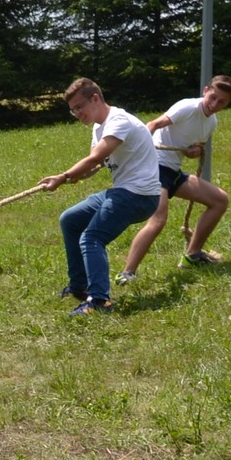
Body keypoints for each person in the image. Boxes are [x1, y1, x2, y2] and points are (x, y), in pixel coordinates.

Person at [41, 77, 163, 314]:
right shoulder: (99, 127)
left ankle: (99, 301)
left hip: (140, 195)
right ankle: (80, 286)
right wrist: (76, 176)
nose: (77, 114)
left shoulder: (118, 121)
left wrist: (63, 177)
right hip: (122, 191)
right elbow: (96, 165)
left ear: (95, 98)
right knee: (70, 219)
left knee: (92, 238)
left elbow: (96, 158)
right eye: (73, 110)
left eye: (79, 107)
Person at [116, 75, 231, 283]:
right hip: (155, 167)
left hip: (173, 172)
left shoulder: (212, 122)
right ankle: (127, 273)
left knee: (220, 200)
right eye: (213, 97)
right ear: (205, 91)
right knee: (158, 220)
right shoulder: (187, 107)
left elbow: (195, 147)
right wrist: (141, 147)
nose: (214, 104)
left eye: (221, 102)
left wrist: (195, 151)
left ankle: (192, 255)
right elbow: (153, 124)